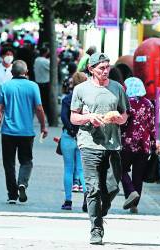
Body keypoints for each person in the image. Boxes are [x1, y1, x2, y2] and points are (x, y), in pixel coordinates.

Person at [70, 52, 129, 245]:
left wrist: (119, 119)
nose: (105, 71)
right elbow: (74, 117)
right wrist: (89, 118)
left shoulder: (117, 88)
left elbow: (124, 114)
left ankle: (100, 210)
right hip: (89, 143)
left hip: (112, 144)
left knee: (112, 187)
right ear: (91, 69)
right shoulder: (81, 89)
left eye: (107, 67)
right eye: (101, 68)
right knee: (93, 188)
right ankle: (96, 230)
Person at [0, 60, 48, 204]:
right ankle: (22, 182)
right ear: (26, 72)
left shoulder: (5, 86)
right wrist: (43, 126)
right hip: (27, 132)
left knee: (9, 163)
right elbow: (39, 108)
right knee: (26, 161)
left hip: (8, 132)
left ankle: (12, 194)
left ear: (11, 72)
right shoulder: (33, 86)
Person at [120, 77, 156, 214]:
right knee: (138, 175)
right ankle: (134, 205)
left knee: (120, 169)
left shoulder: (126, 103)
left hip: (128, 143)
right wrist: (153, 143)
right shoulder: (149, 104)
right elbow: (152, 126)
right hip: (144, 144)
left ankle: (130, 191)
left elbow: (123, 124)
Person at [60, 72, 87, 211]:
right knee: (82, 170)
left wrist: (71, 130)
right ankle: (86, 199)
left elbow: (64, 118)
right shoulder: (88, 100)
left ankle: (68, 200)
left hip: (68, 136)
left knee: (68, 169)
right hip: (83, 137)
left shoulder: (67, 99)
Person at [34, 47, 51, 125]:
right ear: (46, 53)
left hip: (38, 83)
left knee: (39, 101)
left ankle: (40, 117)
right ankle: (47, 118)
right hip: (45, 83)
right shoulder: (46, 61)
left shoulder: (36, 60)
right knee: (46, 102)